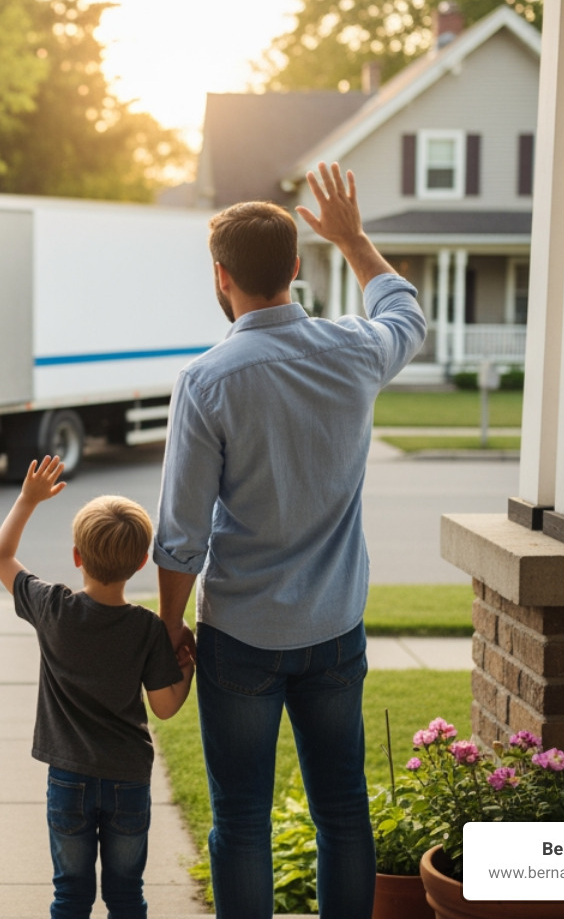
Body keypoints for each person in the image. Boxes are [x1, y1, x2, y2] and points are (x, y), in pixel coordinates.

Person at [152, 163, 426, 919]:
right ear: (297, 267)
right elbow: (406, 312)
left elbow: (180, 536)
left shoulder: (208, 380)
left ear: (221, 276)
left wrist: (170, 628)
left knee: (240, 822)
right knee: (343, 813)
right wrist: (355, 239)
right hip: (336, 630)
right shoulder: (358, 349)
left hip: (241, 635)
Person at [0, 454, 196, 919]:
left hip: (68, 780)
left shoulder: (53, 607)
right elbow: (165, 707)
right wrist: (187, 667)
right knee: (126, 896)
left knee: (70, 895)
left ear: (77, 557)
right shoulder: (146, 629)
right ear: (142, 563)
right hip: (127, 780)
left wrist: (27, 499)